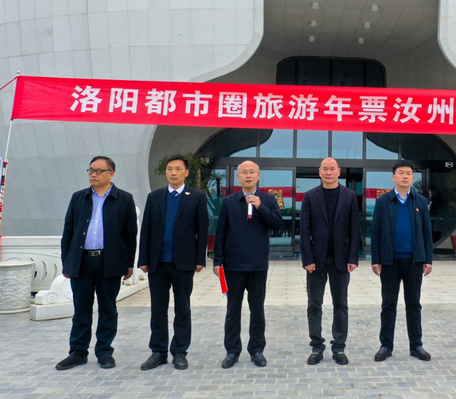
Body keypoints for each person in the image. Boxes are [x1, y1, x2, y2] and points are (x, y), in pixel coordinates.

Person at [56, 156, 137, 371]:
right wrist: (67, 262)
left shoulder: (124, 199)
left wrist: (129, 263)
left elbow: (130, 234)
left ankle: (104, 351)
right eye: (91, 170)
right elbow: (68, 232)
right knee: (81, 308)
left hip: (109, 262)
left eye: (99, 171)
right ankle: (78, 352)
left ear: (111, 174)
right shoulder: (78, 198)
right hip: (81, 262)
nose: (93, 174)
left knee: (107, 308)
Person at [138, 154, 209, 370]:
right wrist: (143, 259)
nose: (174, 173)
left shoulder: (196, 196)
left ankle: (179, 351)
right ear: (166, 172)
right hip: (157, 263)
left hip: (184, 263)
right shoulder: (155, 197)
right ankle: (158, 352)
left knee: (182, 308)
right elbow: (146, 229)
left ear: (186, 172)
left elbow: (202, 229)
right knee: (158, 309)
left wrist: (200, 259)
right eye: (170, 169)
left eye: (178, 169)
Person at [213, 160, 282, 369]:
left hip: (258, 265)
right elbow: (221, 233)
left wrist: (260, 207)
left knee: (257, 309)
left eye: (252, 172)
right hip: (233, 265)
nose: (248, 176)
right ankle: (232, 351)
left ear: (258, 176)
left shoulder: (269, 199)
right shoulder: (229, 202)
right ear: (239, 177)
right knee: (232, 309)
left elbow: (278, 225)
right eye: (244, 173)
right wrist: (218, 261)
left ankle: (257, 349)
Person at [371, 160, 433, 362]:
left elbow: (426, 232)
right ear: (393, 177)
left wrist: (428, 259)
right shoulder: (383, 201)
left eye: (408, 174)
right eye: (401, 173)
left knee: (414, 304)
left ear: (413, 179)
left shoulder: (420, 201)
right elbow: (376, 232)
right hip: (390, 261)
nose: (405, 176)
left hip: (414, 261)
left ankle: (416, 345)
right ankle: (385, 346)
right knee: (388, 304)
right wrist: (376, 259)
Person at [299, 157, 360, 365]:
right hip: (315, 260)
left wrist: (353, 257)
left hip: (342, 260)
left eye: (332, 169)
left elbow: (355, 228)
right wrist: (307, 259)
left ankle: (339, 347)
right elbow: (304, 230)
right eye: (325, 169)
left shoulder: (350, 196)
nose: (328, 172)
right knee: (314, 305)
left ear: (338, 171)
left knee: (340, 304)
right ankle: (316, 347)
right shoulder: (309, 196)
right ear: (319, 172)